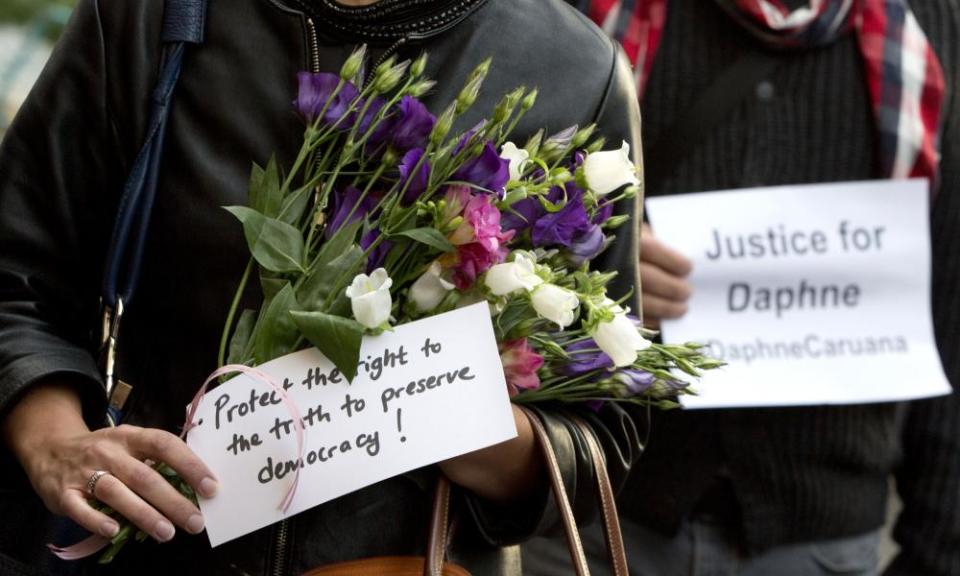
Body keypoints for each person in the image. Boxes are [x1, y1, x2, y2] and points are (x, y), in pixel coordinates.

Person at [0, 0, 644, 574]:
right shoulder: (151, 15)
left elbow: (606, 428)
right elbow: (19, 274)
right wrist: (52, 439)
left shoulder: (576, 69)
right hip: (150, 544)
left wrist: (452, 414)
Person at [523, 0, 960, 574]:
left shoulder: (929, 24)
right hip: (594, 522)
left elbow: (950, 305)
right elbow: (492, 223)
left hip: (820, 538)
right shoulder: (583, 16)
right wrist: (594, 275)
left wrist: (938, 551)